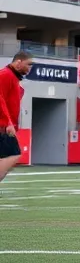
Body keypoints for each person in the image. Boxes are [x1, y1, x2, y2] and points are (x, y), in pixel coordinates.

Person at [0, 51, 33, 188]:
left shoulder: (12, 78)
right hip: (2, 125)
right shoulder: (6, 75)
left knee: (9, 156)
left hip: (5, 124)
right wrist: (8, 122)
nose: (30, 68)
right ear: (18, 62)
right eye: (28, 64)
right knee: (13, 154)